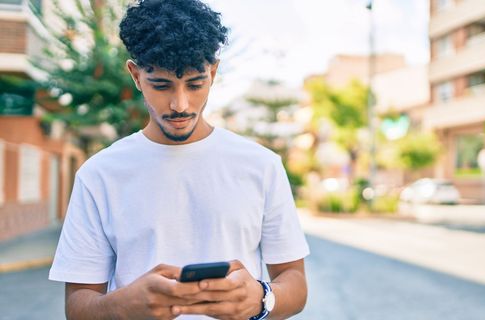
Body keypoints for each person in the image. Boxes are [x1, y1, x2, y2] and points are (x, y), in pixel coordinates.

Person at [48, 0, 310, 319]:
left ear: (213, 72)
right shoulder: (99, 174)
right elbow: (77, 307)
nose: (180, 104)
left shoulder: (262, 165)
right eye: (161, 85)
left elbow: (294, 281)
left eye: (195, 84)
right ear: (135, 75)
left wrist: (261, 299)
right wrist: (122, 306)